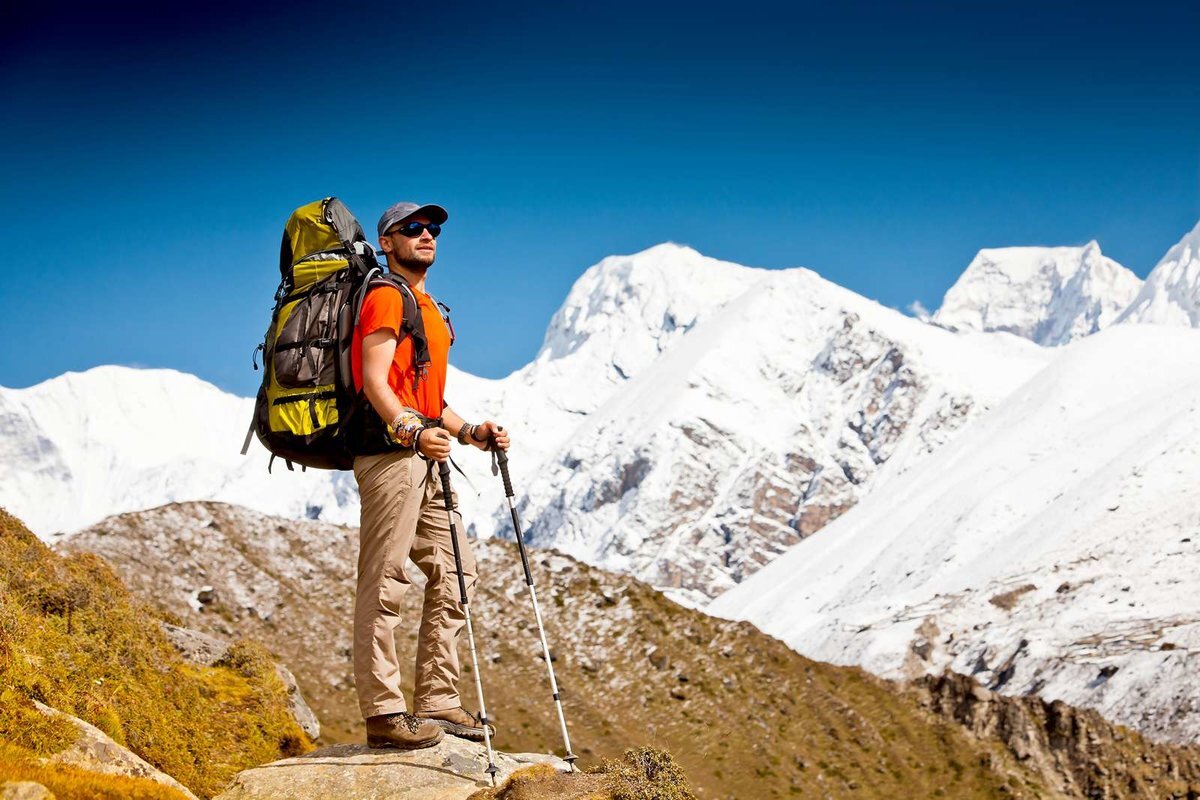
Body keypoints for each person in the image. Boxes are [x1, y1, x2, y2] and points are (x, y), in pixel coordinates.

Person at [350, 200, 510, 750]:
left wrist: (472, 433)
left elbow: (430, 398)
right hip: (391, 455)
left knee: (456, 571)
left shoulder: (430, 309)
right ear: (388, 242)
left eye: (432, 228)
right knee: (386, 576)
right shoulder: (384, 296)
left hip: (429, 451)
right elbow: (376, 382)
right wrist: (410, 432)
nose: (426, 235)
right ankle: (383, 711)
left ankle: (438, 700)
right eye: (411, 229)